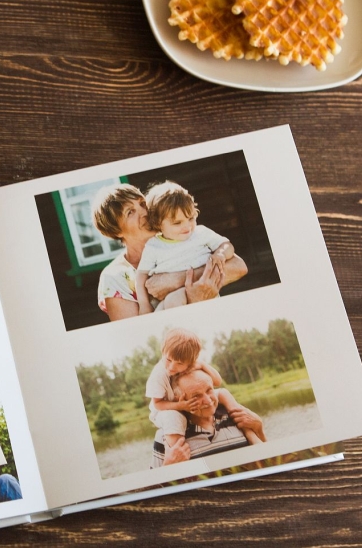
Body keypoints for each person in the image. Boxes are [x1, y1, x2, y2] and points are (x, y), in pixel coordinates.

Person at [91, 183, 248, 321]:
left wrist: (176, 279)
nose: (144, 212)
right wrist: (193, 297)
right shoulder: (115, 277)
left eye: (142, 204)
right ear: (116, 231)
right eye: (130, 212)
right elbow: (136, 334)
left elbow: (238, 267)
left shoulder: (183, 236)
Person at [146, 328, 262, 451]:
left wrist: (202, 365)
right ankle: (176, 451)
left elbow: (217, 382)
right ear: (163, 352)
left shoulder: (190, 361)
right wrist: (181, 406)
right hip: (164, 409)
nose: (171, 367)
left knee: (223, 393)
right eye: (168, 359)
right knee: (173, 418)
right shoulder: (158, 375)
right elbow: (158, 404)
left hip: (185, 400)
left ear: (190, 362)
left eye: (179, 364)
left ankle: (248, 432)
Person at [135, 181, 237, 311]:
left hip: (202, 290)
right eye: (177, 223)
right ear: (158, 222)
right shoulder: (154, 246)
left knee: (174, 303)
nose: (187, 226)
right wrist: (144, 304)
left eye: (190, 218)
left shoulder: (201, 233)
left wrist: (220, 253)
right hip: (166, 296)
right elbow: (141, 275)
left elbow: (226, 245)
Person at [152, 369, 267, 468]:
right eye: (196, 396)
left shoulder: (236, 415)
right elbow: (153, 491)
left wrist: (259, 429)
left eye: (209, 390)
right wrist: (168, 466)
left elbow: (268, 460)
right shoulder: (167, 436)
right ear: (179, 400)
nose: (208, 400)